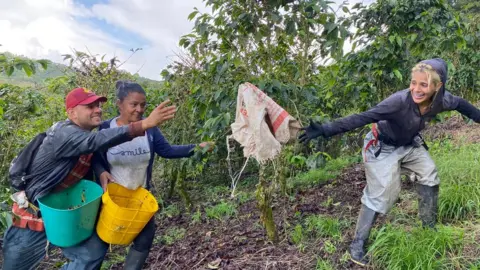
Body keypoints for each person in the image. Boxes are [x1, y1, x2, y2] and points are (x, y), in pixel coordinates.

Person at [299, 58, 480, 266]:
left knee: (429, 174)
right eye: (414, 82)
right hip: (381, 146)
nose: (417, 89)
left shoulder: (443, 100)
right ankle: (357, 244)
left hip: (409, 144)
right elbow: (364, 117)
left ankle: (428, 229)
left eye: (424, 84)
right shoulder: (398, 102)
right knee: (383, 194)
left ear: (438, 86)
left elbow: (465, 106)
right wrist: (326, 129)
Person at [2, 87, 177, 270]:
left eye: (98, 105)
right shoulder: (64, 134)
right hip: (35, 217)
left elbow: (91, 151)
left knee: (92, 253)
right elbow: (95, 142)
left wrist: (100, 171)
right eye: (89, 107)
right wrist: (144, 124)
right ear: (71, 112)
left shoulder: (85, 135)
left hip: (67, 215)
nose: (98, 110)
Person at [93, 80, 213, 270]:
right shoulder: (105, 129)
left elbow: (167, 150)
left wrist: (197, 148)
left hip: (139, 197)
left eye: (143, 105)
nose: (139, 109)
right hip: (111, 199)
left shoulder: (150, 129)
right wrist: (101, 172)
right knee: (99, 244)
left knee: (144, 241)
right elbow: (95, 156)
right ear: (119, 104)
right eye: (134, 104)